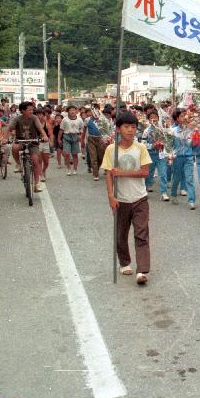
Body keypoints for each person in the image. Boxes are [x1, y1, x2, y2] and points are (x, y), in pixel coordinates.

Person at [102, 111, 152, 285]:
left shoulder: (141, 148)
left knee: (141, 234)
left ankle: (142, 270)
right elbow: (108, 174)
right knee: (120, 234)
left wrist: (122, 172)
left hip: (140, 198)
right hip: (120, 199)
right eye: (126, 127)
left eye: (133, 127)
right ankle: (124, 262)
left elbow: (145, 173)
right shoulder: (111, 149)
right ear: (118, 129)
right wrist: (110, 196)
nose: (130, 130)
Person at [9, 101, 49, 193]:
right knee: (14, 148)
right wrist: (4, 138)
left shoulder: (34, 118)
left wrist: (44, 136)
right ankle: (19, 164)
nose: (31, 111)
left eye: (32, 109)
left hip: (33, 141)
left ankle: (37, 184)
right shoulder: (17, 119)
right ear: (23, 110)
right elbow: (9, 128)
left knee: (35, 161)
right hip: (20, 141)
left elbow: (40, 128)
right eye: (29, 110)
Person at [169, 109, 195, 207]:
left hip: (188, 156)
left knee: (189, 178)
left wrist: (194, 138)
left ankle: (191, 200)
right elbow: (169, 145)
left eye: (184, 116)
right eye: (181, 116)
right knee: (177, 177)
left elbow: (191, 144)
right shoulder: (173, 131)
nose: (183, 118)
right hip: (177, 157)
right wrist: (170, 155)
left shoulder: (190, 130)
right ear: (176, 119)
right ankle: (173, 194)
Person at [142, 110, 169, 201]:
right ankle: (147, 186)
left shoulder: (162, 129)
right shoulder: (146, 131)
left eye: (155, 117)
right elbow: (143, 144)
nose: (154, 119)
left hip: (161, 155)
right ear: (148, 120)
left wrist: (164, 144)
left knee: (163, 173)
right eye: (151, 118)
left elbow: (168, 140)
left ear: (158, 118)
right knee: (149, 172)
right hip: (150, 154)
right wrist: (153, 145)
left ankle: (164, 192)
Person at [60, 105, 85, 175]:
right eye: (70, 110)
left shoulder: (79, 120)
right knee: (67, 154)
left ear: (76, 111)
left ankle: (75, 169)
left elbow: (82, 129)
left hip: (75, 137)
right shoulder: (65, 119)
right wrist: (59, 139)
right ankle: (68, 168)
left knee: (75, 154)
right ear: (68, 112)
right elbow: (61, 129)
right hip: (66, 136)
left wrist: (80, 135)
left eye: (73, 110)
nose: (72, 111)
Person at [84, 107, 106, 181]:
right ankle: (95, 174)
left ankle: (97, 168)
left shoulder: (102, 120)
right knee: (93, 157)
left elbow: (105, 130)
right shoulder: (87, 120)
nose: (95, 114)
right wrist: (82, 140)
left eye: (97, 112)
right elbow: (84, 130)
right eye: (94, 112)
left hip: (100, 139)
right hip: (91, 139)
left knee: (100, 157)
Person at [35, 109, 52, 181]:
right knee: (39, 160)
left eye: (40, 114)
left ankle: (43, 170)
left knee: (46, 162)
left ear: (43, 115)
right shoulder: (33, 124)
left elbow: (50, 134)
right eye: (37, 114)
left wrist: (51, 141)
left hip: (45, 144)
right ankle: (41, 174)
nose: (39, 116)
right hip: (37, 144)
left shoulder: (47, 124)